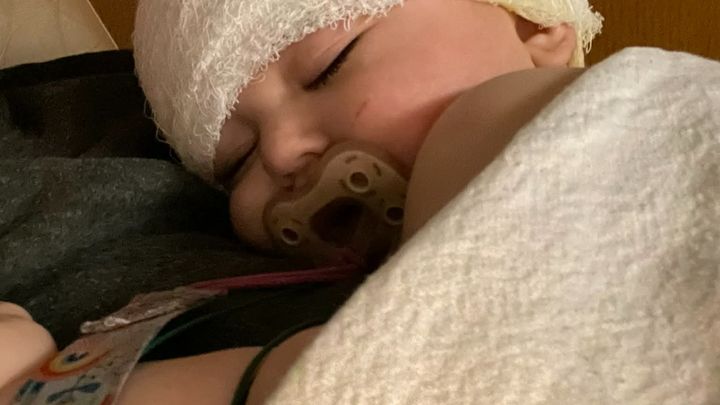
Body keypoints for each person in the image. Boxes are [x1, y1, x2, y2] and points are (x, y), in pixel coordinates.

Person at [13, 0, 695, 402]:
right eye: (236, 162)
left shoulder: (616, 128)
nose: (282, 154)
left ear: (533, 27)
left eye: (328, 65)